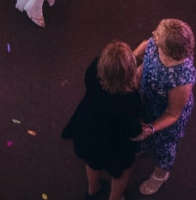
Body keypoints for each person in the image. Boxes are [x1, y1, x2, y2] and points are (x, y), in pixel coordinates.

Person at [61, 41, 143, 200]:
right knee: (121, 173)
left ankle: (93, 191)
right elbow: (134, 132)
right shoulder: (131, 99)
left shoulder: (94, 68)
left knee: (92, 162)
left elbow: (87, 87)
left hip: (88, 130)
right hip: (114, 145)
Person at [134, 19, 196, 195]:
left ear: (170, 50)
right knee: (142, 130)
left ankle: (160, 175)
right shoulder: (157, 43)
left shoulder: (181, 78)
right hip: (148, 98)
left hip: (165, 113)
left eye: (158, 35)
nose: (154, 35)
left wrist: (152, 128)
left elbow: (172, 113)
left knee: (164, 147)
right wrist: (133, 57)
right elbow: (147, 44)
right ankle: (145, 145)